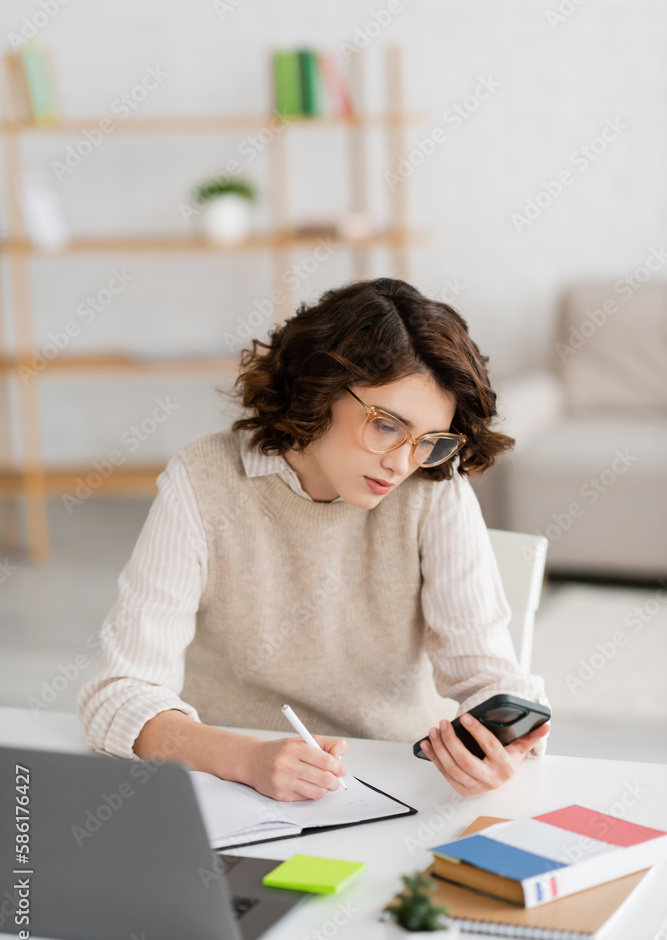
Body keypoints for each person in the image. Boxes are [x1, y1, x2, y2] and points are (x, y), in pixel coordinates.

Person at [77, 277, 549, 802]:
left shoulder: (433, 491)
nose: (401, 462)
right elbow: (119, 695)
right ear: (319, 387)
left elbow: (488, 677)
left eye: (427, 441)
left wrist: (500, 748)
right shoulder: (204, 479)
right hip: (225, 780)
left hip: (395, 781)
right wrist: (246, 760)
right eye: (387, 425)